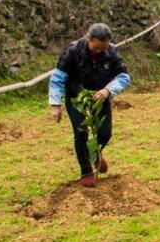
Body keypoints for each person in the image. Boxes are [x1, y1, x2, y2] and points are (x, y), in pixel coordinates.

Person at [47, 23, 131, 187]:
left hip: (100, 96)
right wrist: (55, 104)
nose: (100, 52)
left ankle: (95, 152)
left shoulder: (111, 52)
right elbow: (58, 78)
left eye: (103, 48)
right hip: (76, 97)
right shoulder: (72, 51)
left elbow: (123, 76)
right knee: (81, 132)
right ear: (89, 38)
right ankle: (86, 171)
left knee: (105, 133)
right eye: (97, 48)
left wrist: (108, 90)